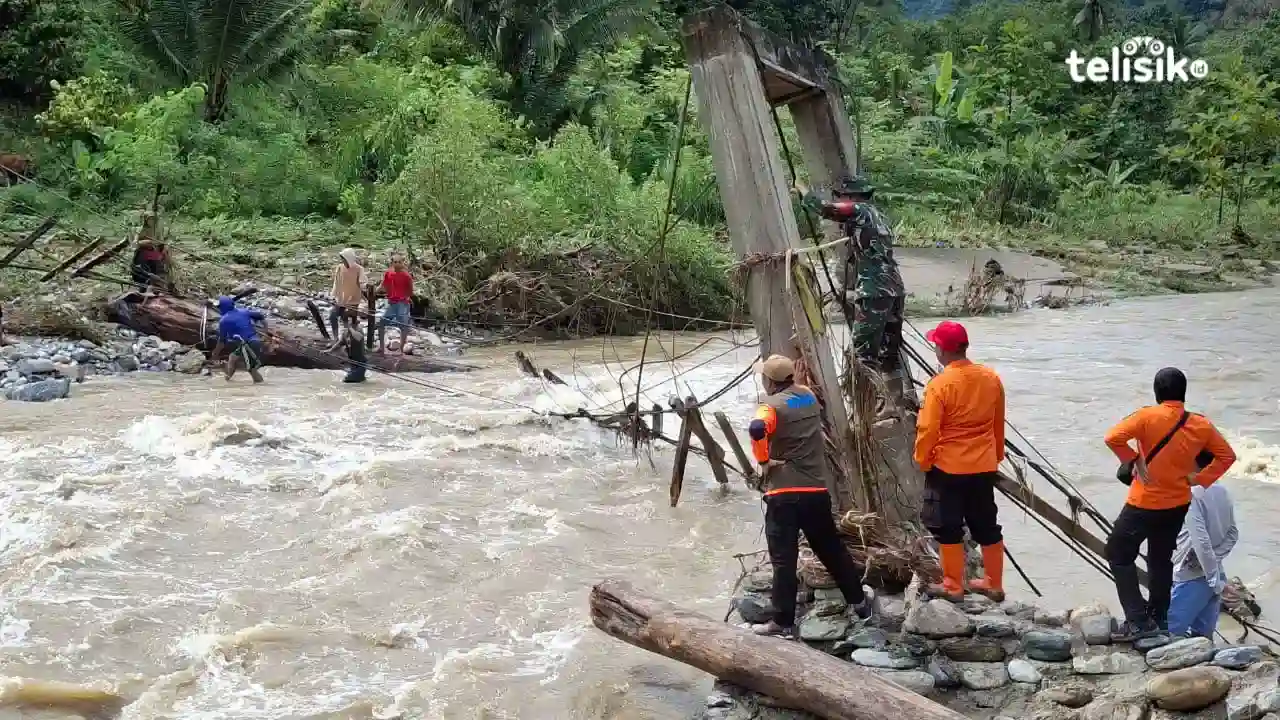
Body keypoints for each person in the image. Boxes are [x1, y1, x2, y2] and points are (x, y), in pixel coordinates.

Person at [1103, 367, 1237, 640]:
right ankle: (1159, 617)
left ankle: (1138, 621)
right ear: (1183, 393)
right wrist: (1199, 478)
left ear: (1157, 392)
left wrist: (1133, 459)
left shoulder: (1146, 416)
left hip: (1143, 503)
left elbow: (1112, 437)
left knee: (1118, 552)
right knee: (1160, 559)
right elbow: (1227, 456)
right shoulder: (1200, 424)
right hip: (1177, 505)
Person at [746, 354, 872, 638]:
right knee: (832, 550)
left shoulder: (769, 406)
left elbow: (757, 429)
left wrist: (764, 460)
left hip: (784, 494)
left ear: (769, 380)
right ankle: (860, 604)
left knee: (784, 560)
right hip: (815, 491)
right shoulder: (808, 397)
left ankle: (783, 623)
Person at [797, 175, 906, 419]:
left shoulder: (859, 210)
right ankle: (894, 405)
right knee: (888, 352)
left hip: (874, 289)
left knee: (862, 355)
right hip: (893, 288)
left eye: (841, 196)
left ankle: (864, 411)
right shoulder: (878, 216)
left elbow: (826, 208)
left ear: (850, 196)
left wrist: (804, 191)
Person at [913, 320, 1007, 602]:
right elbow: (998, 422)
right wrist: (996, 455)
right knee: (987, 523)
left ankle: (953, 585)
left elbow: (928, 429)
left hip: (948, 467)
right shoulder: (991, 378)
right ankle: (994, 584)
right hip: (984, 465)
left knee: (947, 525)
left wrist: (923, 460)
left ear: (942, 350)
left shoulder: (939, 385)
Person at [1168, 483, 1237, 639]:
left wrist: (1214, 580)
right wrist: (1214, 566)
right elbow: (1233, 534)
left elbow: (1201, 541)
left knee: (1169, 633)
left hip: (1190, 576)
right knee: (1203, 638)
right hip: (1214, 574)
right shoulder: (1222, 491)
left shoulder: (1189, 494)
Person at [211, 296, 267, 384]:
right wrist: (265, 330)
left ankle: (261, 386)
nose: (218, 308)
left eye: (219, 307)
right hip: (250, 342)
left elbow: (222, 341)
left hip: (248, 344)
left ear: (222, 307)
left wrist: (215, 353)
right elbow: (261, 316)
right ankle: (227, 380)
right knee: (232, 358)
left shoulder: (224, 320)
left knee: (252, 370)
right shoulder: (244, 311)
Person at [329, 248, 369, 347]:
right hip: (341, 299)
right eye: (342, 258)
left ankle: (347, 340)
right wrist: (334, 296)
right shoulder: (340, 267)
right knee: (332, 315)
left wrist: (366, 288)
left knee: (346, 317)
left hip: (353, 300)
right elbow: (336, 282)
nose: (342, 261)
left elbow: (362, 283)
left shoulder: (359, 269)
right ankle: (335, 338)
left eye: (344, 258)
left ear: (349, 258)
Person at [378, 255, 414, 354]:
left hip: (402, 303)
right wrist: (374, 291)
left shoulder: (407, 276)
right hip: (391, 303)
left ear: (402, 263)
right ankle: (381, 347)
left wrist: (404, 297)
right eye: (395, 262)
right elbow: (383, 285)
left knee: (403, 326)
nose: (397, 264)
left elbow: (410, 291)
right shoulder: (388, 273)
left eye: (399, 262)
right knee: (381, 323)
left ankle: (401, 349)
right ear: (392, 263)